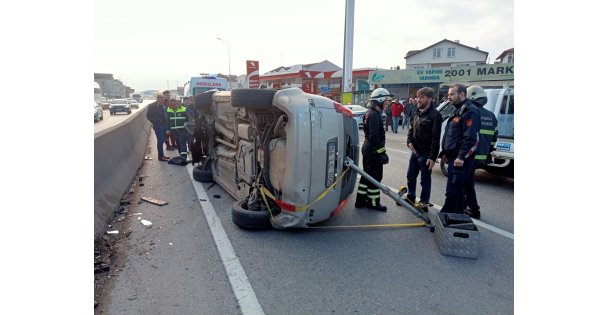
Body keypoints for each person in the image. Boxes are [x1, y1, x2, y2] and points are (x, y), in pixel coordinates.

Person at [438, 83, 481, 215]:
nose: (449, 97)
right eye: (449, 94)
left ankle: (447, 216)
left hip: (460, 160)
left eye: (452, 94)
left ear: (461, 94)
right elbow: (453, 135)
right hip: (452, 157)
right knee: (462, 187)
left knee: (453, 189)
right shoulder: (458, 110)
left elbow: (470, 138)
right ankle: (460, 214)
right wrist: (445, 153)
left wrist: (461, 156)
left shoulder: (470, 111)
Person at [401, 87, 443, 209]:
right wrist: (409, 142)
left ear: (430, 99)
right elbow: (411, 130)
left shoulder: (435, 115)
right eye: (418, 97)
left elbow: (436, 138)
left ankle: (424, 202)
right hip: (415, 152)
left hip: (426, 154)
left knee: (424, 180)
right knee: (410, 176)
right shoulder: (417, 112)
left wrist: (432, 157)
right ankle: (411, 197)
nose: (418, 100)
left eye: (422, 97)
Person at [464, 86, 498, 219]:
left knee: (465, 183)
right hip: (481, 155)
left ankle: (473, 209)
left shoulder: (472, 113)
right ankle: (468, 207)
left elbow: (467, 136)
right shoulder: (491, 116)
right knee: (467, 181)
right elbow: (494, 139)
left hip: (469, 155)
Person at [355, 88, 392, 211]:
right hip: (373, 150)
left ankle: (360, 201)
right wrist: (382, 153)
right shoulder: (374, 115)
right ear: (380, 100)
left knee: (367, 176)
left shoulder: (369, 113)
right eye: (387, 101)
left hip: (369, 149)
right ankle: (373, 202)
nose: (388, 103)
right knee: (375, 177)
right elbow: (374, 137)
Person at [146, 94, 170, 161]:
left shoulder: (163, 105)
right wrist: (155, 122)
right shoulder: (152, 105)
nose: (162, 99)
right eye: (161, 98)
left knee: (162, 140)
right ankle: (160, 157)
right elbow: (148, 116)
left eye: (163, 98)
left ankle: (162, 155)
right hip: (157, 125)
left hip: (164, 125)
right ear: (157, 98)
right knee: (161, 140)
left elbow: (165, 115)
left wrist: (166, 125)